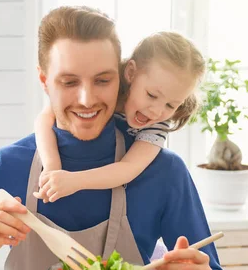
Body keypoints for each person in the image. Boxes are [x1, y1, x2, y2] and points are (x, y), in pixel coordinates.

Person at [0, 6, 232, 270]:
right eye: (69, 82)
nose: (87, 99)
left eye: (102, 80)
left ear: (123, 78)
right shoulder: (6, 166)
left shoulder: (164, 171)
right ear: (44, 81)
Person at [34, 31, 202, 203]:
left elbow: (128, 168)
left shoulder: (159, 123)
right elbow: (45, 118)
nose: (157, 112)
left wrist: (75, 181)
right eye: (151, 95)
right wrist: (51, 167)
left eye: (171, 105)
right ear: (130, 73)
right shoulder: (104, 93)